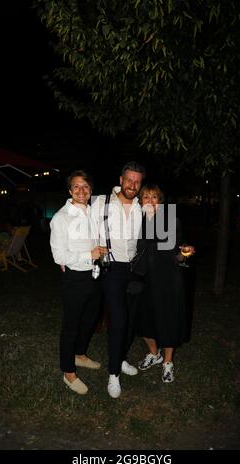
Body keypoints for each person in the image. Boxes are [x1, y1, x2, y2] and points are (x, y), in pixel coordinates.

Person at [50, 170, 107, 395]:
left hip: (95, 273)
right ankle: (68, 372)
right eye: (76, 186)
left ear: (91, 190)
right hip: (75, 276)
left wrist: (100, 252)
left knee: (91, 317)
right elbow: (59, 257)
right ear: (69, 190)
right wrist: (89, 254)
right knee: (71, 325)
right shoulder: (61, 218)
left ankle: (80, 355)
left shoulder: (93, 212)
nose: (81, 191)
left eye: (85, 186)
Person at [91, 161, 145, 398]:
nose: (132, 185)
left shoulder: (143, 206)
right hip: (111, 268)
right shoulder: (100, 202)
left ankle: (121, 358)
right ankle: (113, 374)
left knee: (131, 319)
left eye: (137, 181)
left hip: (134, 269)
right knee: (119, 318)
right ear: (120, 180)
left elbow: (154, 235)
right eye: (129, 180)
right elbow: (86, 230)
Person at [135, 183, 195, 383]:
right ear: (140, 202)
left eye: (155, 198)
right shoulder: (135, 222)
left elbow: (178, 255)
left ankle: (168, 361)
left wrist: (184, 254)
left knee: (168, 319)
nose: (150, 201)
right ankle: (154, 353)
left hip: (168, 279)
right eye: (146, 197)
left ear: (160, 202)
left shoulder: (171, 221)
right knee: (143, 319)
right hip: (144, 279)